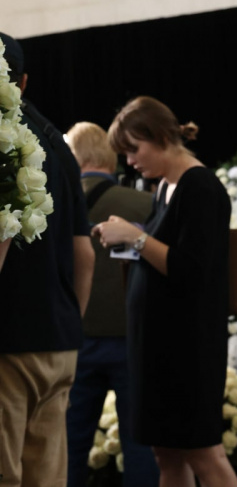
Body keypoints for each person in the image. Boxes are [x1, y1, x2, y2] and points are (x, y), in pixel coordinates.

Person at [91, 96, 237, 487]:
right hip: (160, 348)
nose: (130, 162)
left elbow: (189, 269)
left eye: (134, 150)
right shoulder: (165, 188)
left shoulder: (200, 187)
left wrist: (135, 237)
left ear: (159, 137)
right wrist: (129, 238)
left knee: (204, 454)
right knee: (167, 454)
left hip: (187, 350)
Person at [0, 32, 95, 485]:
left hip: (8, 343)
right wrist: (70, 324)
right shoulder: (58, 144)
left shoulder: (7, 140)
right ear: (23, 81)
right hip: (59, 343)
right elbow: (85, 254)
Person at [64, 122, 159, 487]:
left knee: (67, 447)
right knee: (140, 445)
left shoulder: (54, 204)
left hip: (75, 339)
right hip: (133, 338)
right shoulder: (145, 204)